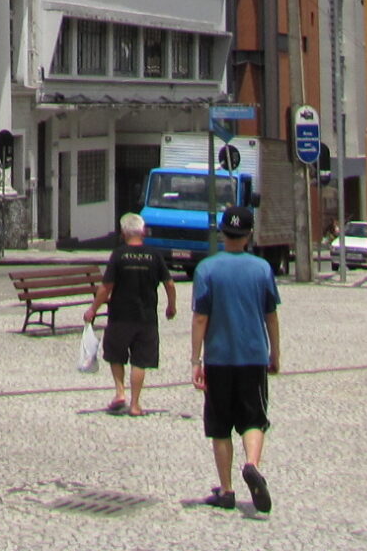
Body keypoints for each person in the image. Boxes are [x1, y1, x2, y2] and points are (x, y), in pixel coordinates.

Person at [190, 206, 282, 513]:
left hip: (218, 358)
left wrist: (195, 360)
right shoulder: (262, 269)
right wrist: (275, 353)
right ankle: (252, 465)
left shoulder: (206, 269)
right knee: (253, 419)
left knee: (220, 426)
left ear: (222, 233)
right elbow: (271, 315)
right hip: (253, 356)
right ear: (248, 234)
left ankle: (227, 491)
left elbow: (200, 318)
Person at [86, 212, 178, 416]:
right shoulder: (154, 254)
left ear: (124, 233)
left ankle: (120, 392)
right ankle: (135, 404)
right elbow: (169, 284)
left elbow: (106, 287)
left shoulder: (118, 255)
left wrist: (93, 309)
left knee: (116, 354)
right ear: (142, 232)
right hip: (147, 317)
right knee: (140, 361)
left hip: (120, 315)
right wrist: (171, 306)